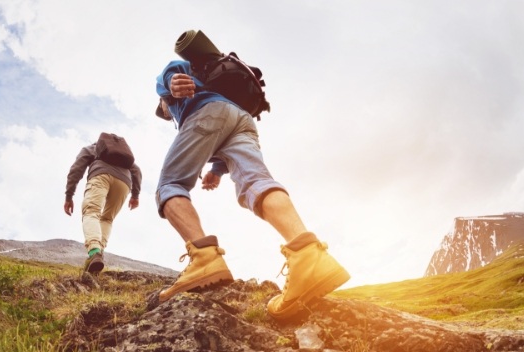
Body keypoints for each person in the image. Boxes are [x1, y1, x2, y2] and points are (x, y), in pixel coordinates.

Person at [155, 30, 350, 320]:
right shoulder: (217, 87)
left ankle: (205, 258)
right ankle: (307, 254)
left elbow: (170, 73)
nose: (166, 113)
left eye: (164, 111)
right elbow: (222, 130)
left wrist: (168, 86)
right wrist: (217, 170)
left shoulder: (177, 89)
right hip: (242, 120)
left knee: (170, 185)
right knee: (256, 183)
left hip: (208, 112)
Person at [64, 139, 142, 275]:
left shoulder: (92, 149)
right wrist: (135, 195)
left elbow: (76, 169)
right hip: (124, 183)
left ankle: (95, 252)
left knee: (91, 212)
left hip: (101, 176)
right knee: (107, 219)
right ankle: (98, 253)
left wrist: (69, 196)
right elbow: (137, 171)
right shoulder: (124, 156)